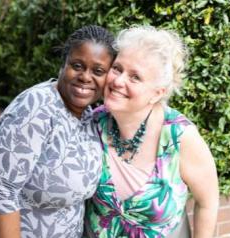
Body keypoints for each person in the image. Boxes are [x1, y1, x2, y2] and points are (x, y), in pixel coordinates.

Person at [0, 25, 116, 238]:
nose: (85, 77)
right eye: (77, 65)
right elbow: (3, 191)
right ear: (63, 64)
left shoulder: (88, 115)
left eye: (98, 71)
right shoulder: (36, 106)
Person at [84, 26, 219, 238]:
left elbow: (208, 202)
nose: (118, 81)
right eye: (117, 68)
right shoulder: (94, 122)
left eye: (135, 77)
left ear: (158, 93)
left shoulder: (180, 137)